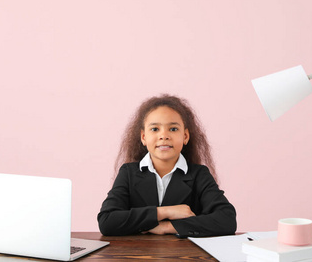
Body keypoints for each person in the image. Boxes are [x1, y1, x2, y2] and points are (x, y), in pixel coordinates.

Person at [98, 94, 237, 237]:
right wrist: (164, 212)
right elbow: (107, 221)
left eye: (173, 129)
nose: (164, 136)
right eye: (155, 129)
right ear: (143, 137)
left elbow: (226, 220)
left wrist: (169, 226)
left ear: (185, 136)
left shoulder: (199, 174)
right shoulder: (128, 172)